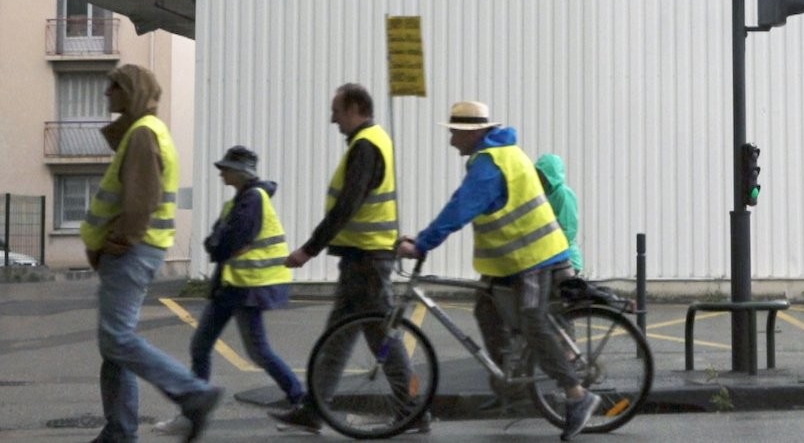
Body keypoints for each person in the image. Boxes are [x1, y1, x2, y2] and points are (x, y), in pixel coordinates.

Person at [396, 100, 601, 441]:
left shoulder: (490, 166)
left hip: (533, 257)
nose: (450, 140)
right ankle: (512, 382)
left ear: (474, 132)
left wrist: (421, 244)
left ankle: (577, 394)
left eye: (455, 133)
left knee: (532, 318)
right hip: (511, 261)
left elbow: (458, 210)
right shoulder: (499, 155)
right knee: (485, 307)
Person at [269, 83, 425, 432]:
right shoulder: (372, 141)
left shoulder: (366, 146)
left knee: (378, 335)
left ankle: (413, 409)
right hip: (363, 257)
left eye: (336, 111)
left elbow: (347, 205)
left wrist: (309, 250)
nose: (332, 119)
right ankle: (315, 410)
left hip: (367, 259)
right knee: (340, 335)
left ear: (355, 108)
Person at [81, 64, 223, 442]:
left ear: (130, 91)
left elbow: (140, 202)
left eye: (114, 87)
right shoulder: (140, 132)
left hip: (132, 251)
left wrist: (116, 242)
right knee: (115, 346)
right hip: (133, 251)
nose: (106, 93)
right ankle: (120, 429)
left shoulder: (144, 135)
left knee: (117, 340)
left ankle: (193, 393)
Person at [152, 146, 303, 435]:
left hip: (246, 288)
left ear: (241, 172)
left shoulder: (252, 200)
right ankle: (192, 414)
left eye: (226, 168)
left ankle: (301, 401)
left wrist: (219, 245)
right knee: (212, 347)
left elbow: (227, 241)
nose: (221, 172)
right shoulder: (240, 201)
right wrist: (219, 244)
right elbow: (216, 240)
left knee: (247, 350)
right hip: (234, 286)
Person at [535, 154, 583, 274]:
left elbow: (568, 230)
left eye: (541, 173)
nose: (538, 176)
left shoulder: (563, 194)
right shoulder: (541, 194)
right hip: (548, 259)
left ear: (549, 174)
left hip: (566, 260)